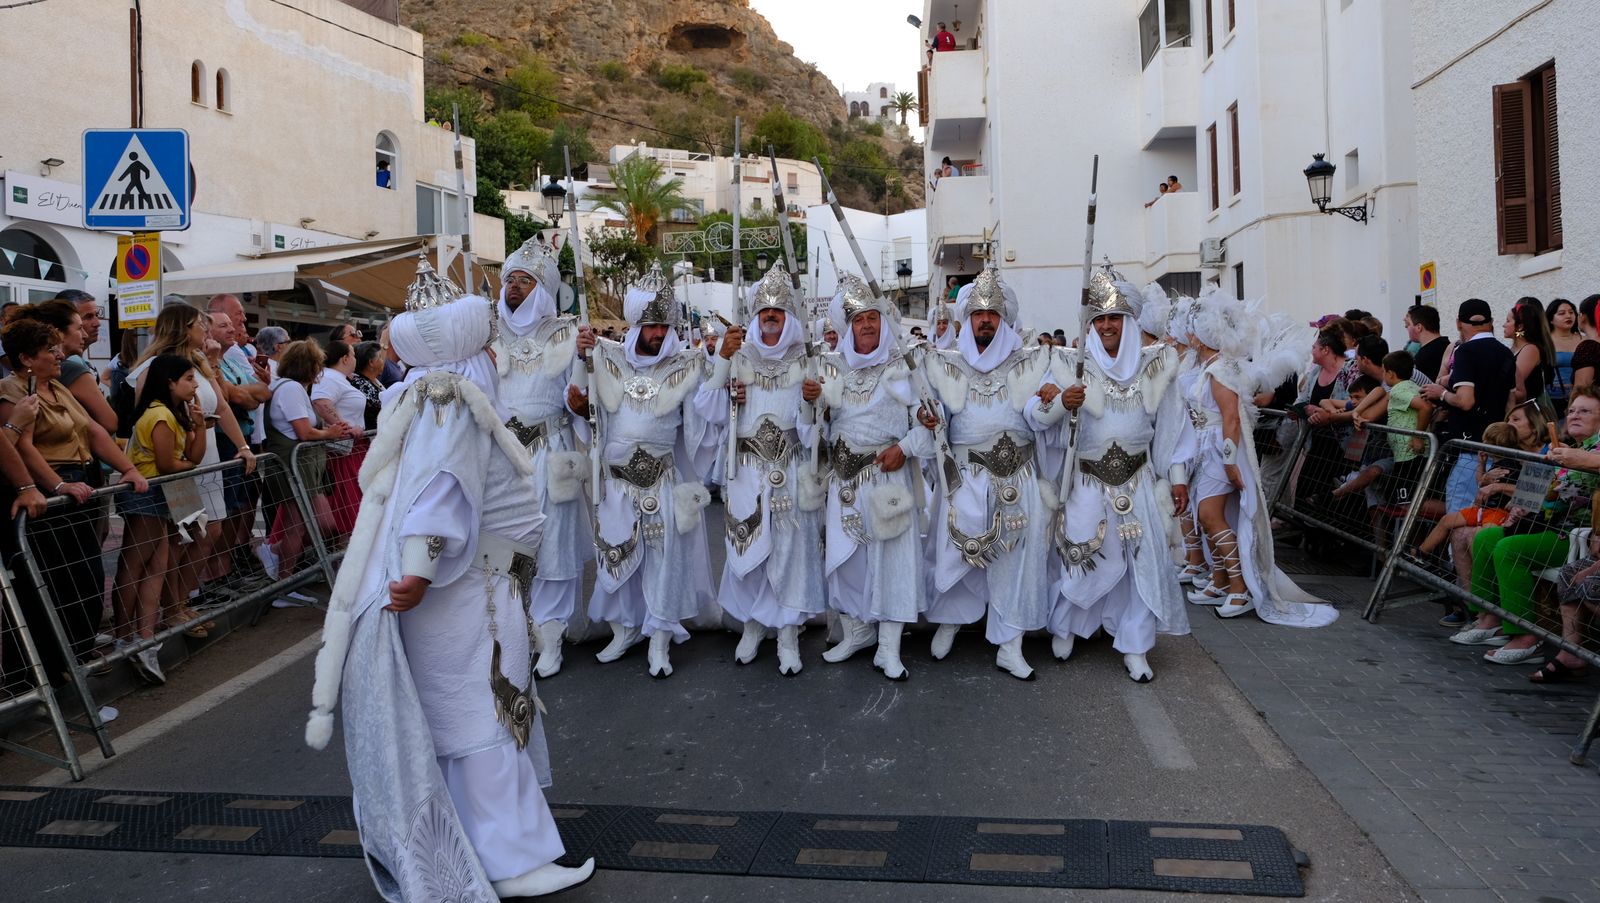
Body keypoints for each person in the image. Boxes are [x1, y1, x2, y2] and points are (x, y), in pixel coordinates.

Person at [303, 269, 594, 899]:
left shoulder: (427, 393)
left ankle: (487, 845)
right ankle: (514, 862)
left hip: (466, 587)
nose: (496, 354)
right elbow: (440, 490)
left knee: (464, 722)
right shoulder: (454, 398)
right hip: (467, 593)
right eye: (487, 343)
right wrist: (421, 570)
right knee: (484, 719)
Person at [570, 264, 720, 678]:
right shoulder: (604, 357)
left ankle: (659, 640)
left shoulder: (688, 367)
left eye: (663, 327)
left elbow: (703, 423)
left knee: (662, 563)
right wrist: (579, 392)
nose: (657, 334)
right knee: (614, 558)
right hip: (616, 483)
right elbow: (587, 410)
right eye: (650, 325)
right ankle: (625, 631)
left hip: (661, 481)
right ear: (638, 326)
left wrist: (722, 376)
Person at [1048, 272, 1187, 680]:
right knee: (1084, 559)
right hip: (1088, 484)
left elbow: (1174, 428)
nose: (1106, 325)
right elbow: (1047, 425)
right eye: (1099, 318)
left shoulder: (1156, 366)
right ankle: (1067, 627)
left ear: (1131, 322)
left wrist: (1176, 476)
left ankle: (1136, 644)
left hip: (1139, 482)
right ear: (1089, 324)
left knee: (1143, 566)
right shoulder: (1071, 367)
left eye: (1116, 317)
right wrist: (1062, 403)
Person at [923, 264, 1057, 679]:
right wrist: (927, 419)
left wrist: (1052, 402)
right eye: (978, 313)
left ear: (1004, 320)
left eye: (992, 314)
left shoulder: (1030, 362)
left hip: (1015, 478)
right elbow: (937, 417)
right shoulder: (945, 363)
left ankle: (1010, 644)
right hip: (964, 476)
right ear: (966, 319)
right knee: (958, 551)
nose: (985, 320)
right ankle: (951, 620)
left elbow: (1037, 415)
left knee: (1016, 563)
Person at [1180, 290, 1339, 627]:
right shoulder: (1212, 367)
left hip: (1219, 451)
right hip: (1207, 449)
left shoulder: (1221, 371)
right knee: (1207, 516)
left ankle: (1239, 587)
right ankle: (1222, 581)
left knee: (1211, 517)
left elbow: (1231, 419)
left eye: (1194, 329)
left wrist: (1227, 461)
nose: (1189, 336)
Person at [0, 318, 146, 683]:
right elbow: (20, 447)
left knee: (88, 578)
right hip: (51, 491)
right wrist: (55, 486)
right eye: (50, 350)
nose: (60, 354)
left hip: (79, 482)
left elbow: (94, 430)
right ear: (26, 358)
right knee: (53, 582)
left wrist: (128, 468)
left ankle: (74, 657)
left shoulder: (57, 388)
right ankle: (45, 671)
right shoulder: (14, 391)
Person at [703, 264, 825, 674]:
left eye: (778, 309)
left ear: (789, 317)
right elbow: (708, 412)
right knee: (749, 545)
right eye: (763, 310)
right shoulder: (739, 355)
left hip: (788, 470)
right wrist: (724, 374)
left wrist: (812, 401)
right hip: (747, 469)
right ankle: (753, 625)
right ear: (754, 316)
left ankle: (788, 634)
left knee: (790, 553)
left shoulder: (806, 360)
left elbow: (814, 428)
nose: (770, 315)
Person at [813, 275, 933, 680]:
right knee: (847, 562)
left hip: (887, 475)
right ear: (848, 326)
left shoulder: (905, 365)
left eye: (873, 317)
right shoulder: (831, 367)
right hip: (844, 482)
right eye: (859, 319)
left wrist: (908, 447)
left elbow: (930, 421)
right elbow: (814, 428)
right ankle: (858, 632)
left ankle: (889, 647)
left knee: (893, 563)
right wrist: (816, 410)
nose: (866, 324)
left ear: (884, 321)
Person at [489, 238, 589, 678]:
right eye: (510, 278)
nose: (513, 286)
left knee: (554, 547)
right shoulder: (488, 335)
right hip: (502, 458)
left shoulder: (567, 334)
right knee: (503, 546)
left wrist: (579, 402)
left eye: (525, 280)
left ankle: (551, 638)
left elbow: (581, 404)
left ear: (543, 289)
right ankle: (512, 632)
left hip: (551, 453)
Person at [1452, 386, 1600, 664]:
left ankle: (1525, 635)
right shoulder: (1568, 449)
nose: (1575, 415)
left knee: (1509, 548)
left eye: (1585, 411)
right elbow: (1541, 491)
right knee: (1486, 538)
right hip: (1545, 527)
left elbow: (1566, 490)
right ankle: (1490, 617)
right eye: (1572, 411)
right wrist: (1522, 502)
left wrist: (1576, 460)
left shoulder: (1586, 451)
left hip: (1573, 536)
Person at [114, 354, 207, 683]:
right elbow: (171, 464)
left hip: (160, 493)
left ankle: (144, 636)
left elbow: (193, 456)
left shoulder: (174, 413)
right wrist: (188, 465)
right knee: (136, 565)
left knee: (157, 566)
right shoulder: (160, 415)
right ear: (170, 382)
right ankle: (126, 637)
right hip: (148, 493)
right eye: (189, 378)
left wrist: (198, 425)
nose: (195, 385)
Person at [258, 341, 358, 580]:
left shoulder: (291, 388)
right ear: (312, 367)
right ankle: (282, 575)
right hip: (294, 465)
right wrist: (330, 433)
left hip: (303, 466)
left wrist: (328, 429)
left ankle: (280, 561)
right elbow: (303, 431)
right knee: (302, 524)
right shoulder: (291, 388)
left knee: (319, 524)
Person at [1423, 299, 1516, 512]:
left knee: (1460, 515)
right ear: (1491, 322)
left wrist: (1442, 393)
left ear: (1458, 323)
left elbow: (1465, 401)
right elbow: (1513, 398)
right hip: (1497, 447)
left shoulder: (1466, 351)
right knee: (1484, 516)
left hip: (1469, 446)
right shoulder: (1506, 352)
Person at [311, 340, 369, 536]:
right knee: (345, 515)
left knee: (352, 513)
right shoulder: (329, 377)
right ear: (345, 358)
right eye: (353, 354)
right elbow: (320, 403)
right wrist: (345, 427)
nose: (355, 358)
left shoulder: (338, 378)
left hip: (349, 450)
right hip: (340, 454)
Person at [1505, 297, 1554, 410]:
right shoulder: (1515, 348)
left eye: (1508, 321)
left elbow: (1514, 382)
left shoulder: (1530, 349)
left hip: (1530, 411)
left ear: (1520, 326)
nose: (1504, 325)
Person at [1546, 298, 1584, 416]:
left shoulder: (1584, 339)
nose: (1568, 316)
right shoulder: (1546, 342)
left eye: (1571, 312)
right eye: (1561, 313)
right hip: (1554, 396)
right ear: (1551, 319)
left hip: (1581, 393)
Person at [1405, 304, 1449, 382]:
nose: (1406, 327)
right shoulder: (1448, 345)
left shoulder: (1424, 357)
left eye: (1408, 324)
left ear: (1419, 327)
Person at [349, 341, 385, 431]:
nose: (383, 361)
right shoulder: (360, 384)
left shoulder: (374, 381)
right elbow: (378, 408)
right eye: (380, 357)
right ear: (371, 362)